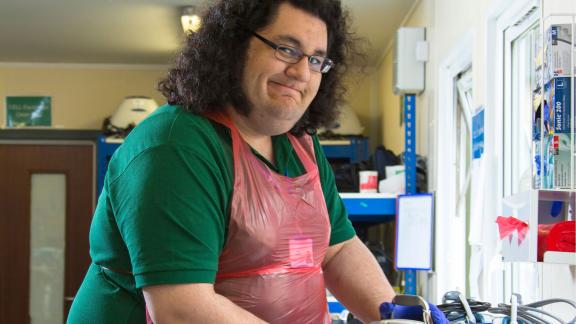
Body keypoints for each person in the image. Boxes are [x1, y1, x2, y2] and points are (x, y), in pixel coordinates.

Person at [68, 0, 423, 323]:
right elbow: (180, 307)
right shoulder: (175, 146)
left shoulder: (299, 143)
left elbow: (338, 249)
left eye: (316, 60)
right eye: (287, 49)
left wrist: (393, 315)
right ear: (234, 47)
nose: (302, 72)